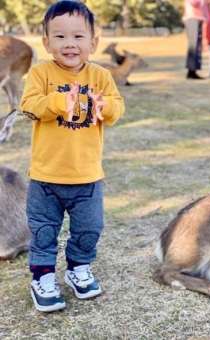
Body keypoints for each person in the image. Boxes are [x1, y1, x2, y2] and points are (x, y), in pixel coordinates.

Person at [20, 1, 125, 312]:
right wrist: (55, 102)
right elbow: (29, 106)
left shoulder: (101, 76)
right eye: (60, 36)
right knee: (43, 230)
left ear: (93, 42)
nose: (69, 44)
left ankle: (79, 268)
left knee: (89, 228)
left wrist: (105, 106)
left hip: (87, 177)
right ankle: (42, 277)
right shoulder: (40, 74)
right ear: (46, 42)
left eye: (78, 37)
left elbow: (117, 109)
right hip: (45, 177)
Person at [184, 0, 208, 79]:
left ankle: (193, 70)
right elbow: (194, 3)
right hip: (192, 18)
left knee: (198, 46)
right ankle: (191, 70)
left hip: (199, 18)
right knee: (193, 45)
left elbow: (205, 6)